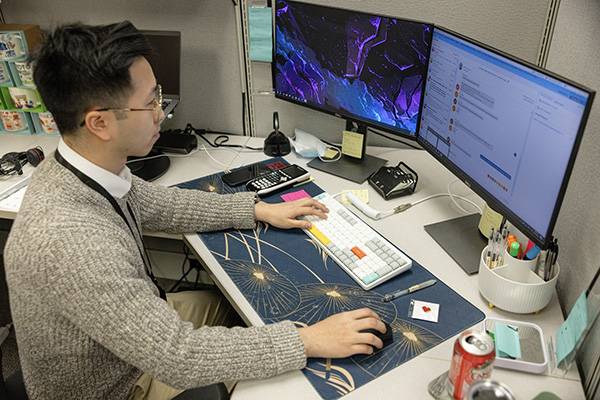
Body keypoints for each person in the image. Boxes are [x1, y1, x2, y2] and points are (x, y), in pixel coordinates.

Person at [3, 21, 387, 400]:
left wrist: (256, 210)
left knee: (245, 312)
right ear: (99, 122)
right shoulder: (73, 242)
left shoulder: (82, 166)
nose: (162, 112)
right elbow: (179, 357)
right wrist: (308, 340)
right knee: (285, 373)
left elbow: (159, 204)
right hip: (116, 386)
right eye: (150, 101)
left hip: (124, 347)